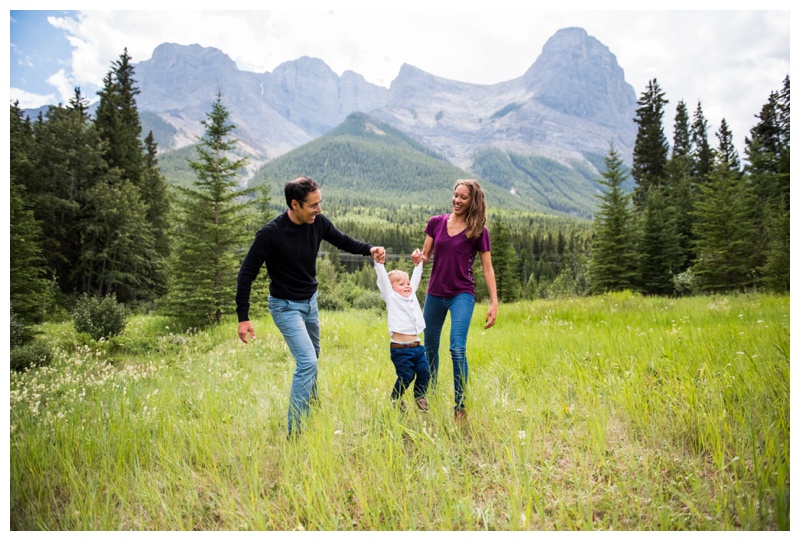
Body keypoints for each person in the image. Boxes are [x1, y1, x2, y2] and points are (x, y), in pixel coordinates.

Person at [236, 176, 385, 436]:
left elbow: (343, 240)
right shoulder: (270, 233)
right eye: (313, 205)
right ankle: (296, 432)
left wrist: (369, 249)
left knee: (313, 358)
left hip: (310, 303)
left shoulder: (318, 223)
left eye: (320, 203)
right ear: (295, 204)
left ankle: (312, 405)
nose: (319, 210)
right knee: (306, 362)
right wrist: (243, 317)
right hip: (285, 307)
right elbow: (246, 273)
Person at [412, 179, 498, 422]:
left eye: (464, 197)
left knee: (457, 347)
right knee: (428, 347)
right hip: (435, 293)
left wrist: (494, 302)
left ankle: (460, 407)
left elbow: (487, 268)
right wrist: (418, 257)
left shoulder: (478, 230)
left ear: (473, 201)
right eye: (455, 195)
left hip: (462, 293)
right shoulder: (436, 223)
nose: (457, 200)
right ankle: (429, 396)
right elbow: (426, 255)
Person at [374, 250, 430, 413]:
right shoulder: (391, 297)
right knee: (406, 376)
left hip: (418, 347)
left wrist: (418, 264)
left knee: (424, 372)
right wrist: (379, 263)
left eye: (407, 283)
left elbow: (416, 278)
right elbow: (383, 280)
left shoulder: (411, 296)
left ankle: (420, 396)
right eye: (401, 284)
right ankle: (396, 398)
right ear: (391, 289)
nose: (407, 286)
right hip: (401, 350)